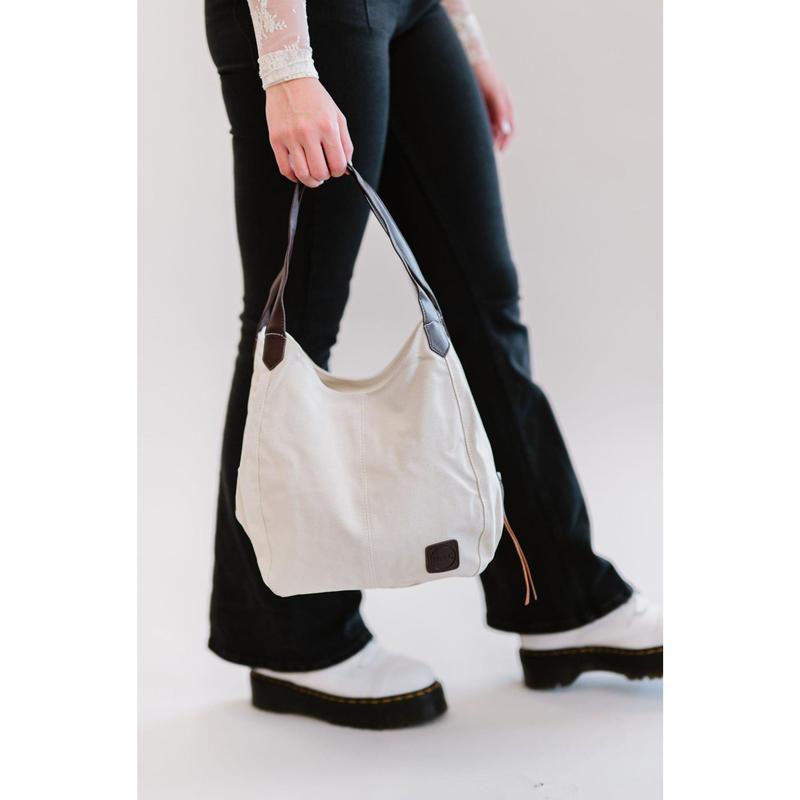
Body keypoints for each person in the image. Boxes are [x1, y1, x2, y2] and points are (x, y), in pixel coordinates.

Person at [204, 0, 662, 729]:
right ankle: (287, 634)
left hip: (411, 11)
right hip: (306, 18)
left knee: (485, 302)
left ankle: (561, 595)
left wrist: (467, 39)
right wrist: (287, 67)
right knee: (292, 325)